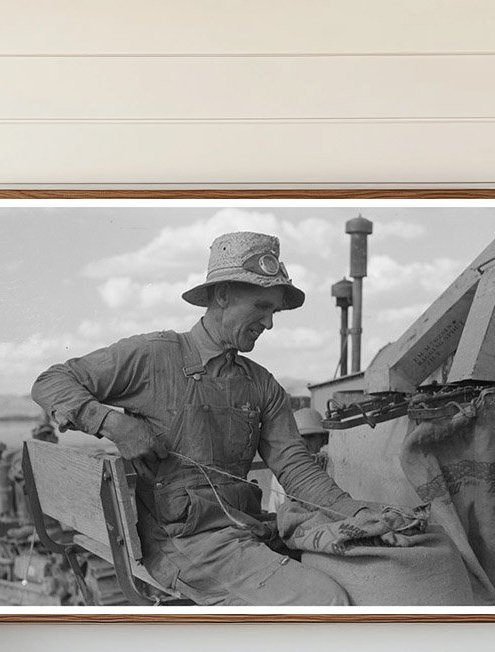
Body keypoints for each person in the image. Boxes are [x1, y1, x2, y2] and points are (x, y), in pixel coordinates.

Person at [31, 231, 387, 606]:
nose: (269, 323)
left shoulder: (262, 384)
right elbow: (51, 381)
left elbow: (296, 468)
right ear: (222, 296)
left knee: (369, 570)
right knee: (323, 600)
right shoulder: (155, 356)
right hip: (182, 544)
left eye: (273, 312)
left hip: (244, 531)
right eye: (261, 307)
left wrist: (357, 512)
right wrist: (113, 424)